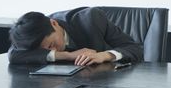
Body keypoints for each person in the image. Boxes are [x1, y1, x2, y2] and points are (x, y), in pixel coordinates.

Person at [8, 6, 143, 65]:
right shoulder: (31, 35)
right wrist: (68, 55)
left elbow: (135, 49)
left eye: (52, 45)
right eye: (47, 50)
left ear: (54, 24)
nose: (53, 51)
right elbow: (13, 54)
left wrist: (104, 55)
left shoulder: (91, 19)